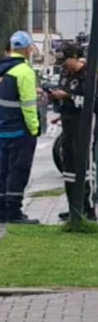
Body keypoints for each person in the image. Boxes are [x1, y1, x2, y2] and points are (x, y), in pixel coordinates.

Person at [0, 31, 41, 224]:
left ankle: (2, 211)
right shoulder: (24, 72)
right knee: (18, 171)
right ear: (28, 49)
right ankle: (14, 212)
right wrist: (34, 128)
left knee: (2, 171)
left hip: (2, 129)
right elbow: (28, 106)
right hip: (20, 130)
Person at [49, 42, 96, 220]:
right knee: (68, 165)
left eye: (66, 62)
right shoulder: (64, 74)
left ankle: (88, 208)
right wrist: (57, 100)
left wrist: (68, 96)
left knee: (84, 164)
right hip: (68, 123)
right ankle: (73, 208)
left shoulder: (89, 74)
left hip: (85, 124)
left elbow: (91, 102)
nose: (65, 67)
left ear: (75, 57)